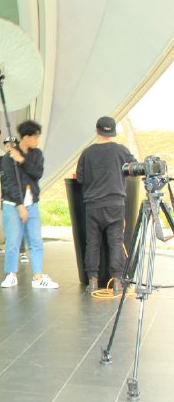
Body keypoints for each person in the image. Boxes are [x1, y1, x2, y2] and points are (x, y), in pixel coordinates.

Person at [76, 116, 136, 293]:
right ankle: (117, 281)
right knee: (116, 242)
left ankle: (92, 281)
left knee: (92, 243)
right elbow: (133, 168)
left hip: (93, 205)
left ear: (97, 130)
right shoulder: (121, 151)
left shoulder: (87, 153)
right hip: (115, 204)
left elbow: (80, 178)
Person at [0, 121, 59, 289]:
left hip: (32, 204)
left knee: (36, 241)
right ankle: (11, 275)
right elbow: (10, 184)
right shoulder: (8, 158)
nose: (37, 140)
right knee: (13, 241)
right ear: (26, 137)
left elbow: (37, 173)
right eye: (35, 137)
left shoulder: (36, 154)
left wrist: (22, 160)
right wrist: (20, 206)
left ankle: (38, 277)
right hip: (12, 205)